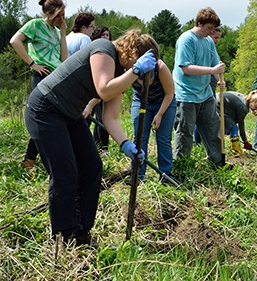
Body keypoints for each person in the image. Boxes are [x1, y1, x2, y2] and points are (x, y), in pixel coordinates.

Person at [23, 28, 158, 246]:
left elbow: (110, 118)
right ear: (133, 51)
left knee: (92, 166)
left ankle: (81, 230)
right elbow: (104, 90)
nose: (140, 75)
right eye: (140, 65)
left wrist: (126, 145)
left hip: (69, 114)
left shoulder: (122, 72)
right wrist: (134, 70)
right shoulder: (104, 49)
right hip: (45, 109)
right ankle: (63, 236)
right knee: (65, 172)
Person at [10, 0, 67, 170]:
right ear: (50, 14)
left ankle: (33, 158)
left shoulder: (57, 32)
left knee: (53, 117)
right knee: (41, 117)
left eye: (64, 15)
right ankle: (31, 160)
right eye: (59, 15)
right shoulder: (35, 24)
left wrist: (63, 33)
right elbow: (15, 41)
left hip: (56, 75)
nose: (62, 19)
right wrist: (32, 63)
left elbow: (63, 58)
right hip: (42, 74)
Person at [172, 7, 225, 168]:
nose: (211, 32)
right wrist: (212, 71)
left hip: (205, 93)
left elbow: (214, 64)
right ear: (199, 23)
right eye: (209, 28)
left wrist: (219, 78)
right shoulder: (186, 40)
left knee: (213, 128)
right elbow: (186, 68)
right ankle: (182, 165)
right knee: (185, 132)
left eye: (213, 29)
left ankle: (218, 162)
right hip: (186, 94)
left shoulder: (208, 41)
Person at [127, 52, 176, 184]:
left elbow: (170, 93)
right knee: (140, 138)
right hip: (141, 101)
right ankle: (137, 175)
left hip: (164, 101)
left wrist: (159, 114)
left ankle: (166, 175)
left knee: (163, 139)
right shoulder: (131, 67)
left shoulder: (160, 67)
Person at [82, 26, 112, 153]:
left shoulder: (110, 54)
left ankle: (102, 148)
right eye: (102, 35)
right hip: (90, 90)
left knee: (103, 119)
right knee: (86, 117)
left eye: (107, 35)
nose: (105, 37)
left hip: (104, 91)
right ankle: (84, 146)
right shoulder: (93, 52)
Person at [195, 26, 222, 145]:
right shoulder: (201, 48)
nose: (216, 41)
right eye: (215, 37)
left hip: (211, 88)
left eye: (218, 38)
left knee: (209, 117)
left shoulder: (213, 52)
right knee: (200, 117)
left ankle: (203, 143)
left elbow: (217, 69)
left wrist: (220, 80)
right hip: (201, 88)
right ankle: (198, 142)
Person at [215, 90, 257, 155]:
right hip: (218, 105)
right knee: (234, 128)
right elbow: (241, 126)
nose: (256, 110)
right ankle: (237, 151)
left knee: (205, 124)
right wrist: (245, 141)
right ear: (251, 101)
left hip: (219, 101)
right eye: (256, 107)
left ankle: (198, 143)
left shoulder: (244, 98)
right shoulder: (243, 107)